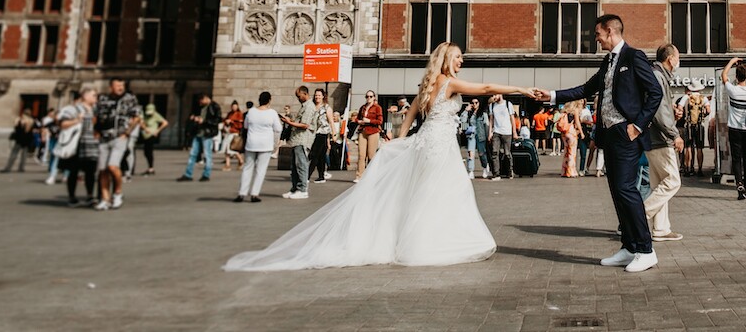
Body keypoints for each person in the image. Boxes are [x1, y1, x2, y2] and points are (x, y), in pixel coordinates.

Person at [225, 42, 541, 270]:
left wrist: (398, 144)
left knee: (426, 193)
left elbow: (407, 122)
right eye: (458, 58)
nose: (461, 62)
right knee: (446, 192)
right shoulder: (450, 83)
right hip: (439, 146)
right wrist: (522, 89)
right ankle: (431, 244)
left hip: (427, 143)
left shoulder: (428, 85)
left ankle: (421, 239)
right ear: (446, 59)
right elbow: (485, 87)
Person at [548, 14, 664, 273]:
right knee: (615, 189)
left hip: (626, 133)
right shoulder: (607, 60)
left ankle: (646, 250)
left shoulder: (634, 57)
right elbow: (586, 89)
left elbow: (655, 92)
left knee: (626, 189)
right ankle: (629, 247)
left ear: (610, 32)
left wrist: (637, 125)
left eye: (598, 35)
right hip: (608, 134)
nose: (596, 40)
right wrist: (553, 94)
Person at [644, 44, 685, 241]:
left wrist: (673, 111)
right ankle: (639, 216)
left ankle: (660, 229)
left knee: (659, 183)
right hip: (660, 139)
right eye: (678, 57)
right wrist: (674, 134)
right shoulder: (658, 76)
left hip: (653, 137)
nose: (679, 61)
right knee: (672, 181)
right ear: (670, 59)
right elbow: (659, 111)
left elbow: (662, 108)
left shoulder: (658, 75)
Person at [95, 79, 141, 210]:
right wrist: (95, 131)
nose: (120, 87)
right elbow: (96, 115)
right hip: (104, 137)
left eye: (122, 85)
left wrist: (127, 132)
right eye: (117, 85)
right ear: (111, 87)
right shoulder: (103, 99)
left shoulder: (130, 98)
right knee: (102, 170)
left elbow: (137, 116)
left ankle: (117, 193)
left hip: (119, 137)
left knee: (112, 166)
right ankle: (105, 199)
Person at [722, 56, 746, 201]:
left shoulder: (732, 90)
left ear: (736, 77)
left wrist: (732, 61)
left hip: (735, 129)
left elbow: (723, 75)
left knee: (736, 159)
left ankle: (739, 186)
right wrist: (744, 69)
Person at [235, 91, 281, 203]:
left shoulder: (251, 112)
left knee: (247, 168)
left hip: (251, 143)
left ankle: (242, 193)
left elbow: (246, 126)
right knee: (260, 170)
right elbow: (278, 129)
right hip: (265, 145)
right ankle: (254, 194)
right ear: (269, 100)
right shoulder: (272, 113)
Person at [58, 86, 100, 207]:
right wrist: (77, 120)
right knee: (74, 171)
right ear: (85, 96)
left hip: (92, 145)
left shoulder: (96, 109)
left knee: (90, 172)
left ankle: (90, 196)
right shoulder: (73, 109)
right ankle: (72, 196)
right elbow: (62, 123)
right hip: (77, 145)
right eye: (94, 95)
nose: (96, 98)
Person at [281, 85, 319, 200]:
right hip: (297, 139)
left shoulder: (309, 107)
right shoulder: (305, 106)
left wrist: (290, 122)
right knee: (295, 165)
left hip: (303, 139)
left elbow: (305, 125)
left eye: (299, 96)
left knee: (301, 165)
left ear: (305, 94)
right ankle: (295, 188)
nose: (298, 98)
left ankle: (302, 189)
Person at [179, 93, 222, 182]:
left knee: (207, 154)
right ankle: (188, 174)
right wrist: (194, 118)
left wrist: (204, 121)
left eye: (201, 101)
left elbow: (218, 120)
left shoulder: (214, 106)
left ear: (205, 98)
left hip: (207, 133)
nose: (200, 103)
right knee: (193, 154)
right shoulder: (200, 107)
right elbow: (195, 115)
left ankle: (206, 174)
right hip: (198, 133)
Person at [352, 90, 385, 181]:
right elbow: (358, 118)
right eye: (367, 96)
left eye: (371, 96)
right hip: (363, 131)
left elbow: (380, 121)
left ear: (374, 97)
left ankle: (371, 175)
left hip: (373, 132)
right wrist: (358, 121)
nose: (368, 98)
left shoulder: (377, 107)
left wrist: (369, 121)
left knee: (371, 156)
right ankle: (359, 176)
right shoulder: (363, 107)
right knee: (361, 155)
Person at [308, 88, 336, 185]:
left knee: (314, 154)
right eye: (316, 95)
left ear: (323, 96)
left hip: (322, 133)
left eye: (319, 95)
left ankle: (307, 176)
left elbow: (331, 121)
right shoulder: (312, 106)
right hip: (313, 132)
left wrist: (334, 134)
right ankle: (321, 176)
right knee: (321, 156)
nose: (317, 97)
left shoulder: (327, 107)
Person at [486, 95, 514, 181]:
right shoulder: (492, 105)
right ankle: (496, 174)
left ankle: (510, 171)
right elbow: (491, 119)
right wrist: (490, 132)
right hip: (496, 131)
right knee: (495, 153)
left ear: (501, 94)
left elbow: (512, 118)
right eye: (493, 95)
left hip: (507, 132)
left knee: (507, 153)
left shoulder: (508, 104)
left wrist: (515, 132)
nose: (494, 97)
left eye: (496, 94)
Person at [138, 102, 169, 175]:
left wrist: (158, 130)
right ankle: (150, 167)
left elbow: (165, 122)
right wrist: (145, 128)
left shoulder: (155, 115)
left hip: (152, 135)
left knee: (149, 151)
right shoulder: (143, 114)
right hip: (145, 134)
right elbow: (140, 122)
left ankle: (151, 168)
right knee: (146, 152)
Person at [559, 100, 584, 178]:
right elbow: (577, 122)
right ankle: (571, 172)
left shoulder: (564, 111)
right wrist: (581, 132)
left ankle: (564, 171)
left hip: (564, 133)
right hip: (571, 132)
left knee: (566, 152)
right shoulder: (575, 110)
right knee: (572, 153)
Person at [221, 101, 245, 171]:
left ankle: (239, 161)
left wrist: (232, 122)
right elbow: (225, 120)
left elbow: (241, 124)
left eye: (235, 106)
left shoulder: (239, 114)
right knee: (227, 149)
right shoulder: (230, 113)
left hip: (234, 132)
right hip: (229, 132)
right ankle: (229, 164)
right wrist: (226, 122)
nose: (234, 108)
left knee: (231, 148)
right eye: (233, 106)